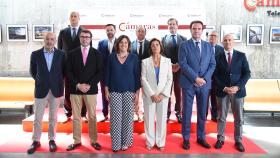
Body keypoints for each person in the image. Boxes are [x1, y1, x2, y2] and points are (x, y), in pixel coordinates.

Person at [178, 20, 216, 150]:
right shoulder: (184, 45)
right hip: (189, 83)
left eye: (199, 29)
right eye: (194, 28)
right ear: (190, 30)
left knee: (202, 113)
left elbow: (212, 64)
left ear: (202, 30)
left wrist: (204, 79)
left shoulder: (208, 46)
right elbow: (182, 64)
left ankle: (201, 137)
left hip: (204, 85)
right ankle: (186, 138)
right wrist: (195, 78)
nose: (197, 31)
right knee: (187, 112)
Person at [27, 32, 66, 154]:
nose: (49, 41)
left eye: (52, 39)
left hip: (55, 89)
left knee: (53, 117)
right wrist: (41, 81)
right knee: (37, 117)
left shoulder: (61, 54)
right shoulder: (35, 54)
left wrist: (56, 82)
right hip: (40, 89)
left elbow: (63, 72)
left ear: (55, 41)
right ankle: (36, 140)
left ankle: (52, 140)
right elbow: (33, 71)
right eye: (47, 39)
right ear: (44, 40)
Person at [66, 29, 103, 151]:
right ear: (79, 38)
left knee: (92, 116)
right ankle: (76, 141)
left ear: (91, 39)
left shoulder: (97, 53)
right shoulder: (71, 53)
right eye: (82, 36)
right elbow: (68, 71)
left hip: (90, 90)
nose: (85, 38)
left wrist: (89, 85)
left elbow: (100, 72)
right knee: (76, 116)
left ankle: (94, 140)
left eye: (87, 37)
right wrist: (78, 84)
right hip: (75, 89)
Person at [214, 34, 251, 152]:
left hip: (238, 92)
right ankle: (220, 138)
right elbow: (215, 75)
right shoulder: (217, 56)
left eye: (229, 40)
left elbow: (247, 73)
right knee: (221, 117)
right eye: (225, 40)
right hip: (222, 91)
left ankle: (238, 140)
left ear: (233, 41)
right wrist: (224, 87)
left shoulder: (241, 56)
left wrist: (238, 87)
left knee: (239, 118)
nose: (227, 42)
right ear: (222, 43)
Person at [105, 35, 140, 152]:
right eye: (121, 42)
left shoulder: (134, 58)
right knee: (115, 118)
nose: (123, 44)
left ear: (128, 45)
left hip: (129, 91)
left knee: (128, 118)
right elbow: (107, 74)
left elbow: (137, 76)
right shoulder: (111, 57)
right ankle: (116, 144)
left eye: (126, 42)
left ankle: (125, 142)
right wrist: (106, 89)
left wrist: (137, 93)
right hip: (114, 91)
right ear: (118, 44)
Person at [141, 38, 173, 151]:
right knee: (149, 119)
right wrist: (152, 94)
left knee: (161, 119)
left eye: (157, 45)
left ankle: (160, 142)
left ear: (160, 47)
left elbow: (170, 79)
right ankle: (150, 142)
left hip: (162, 96)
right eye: (153, 45)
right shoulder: (145, 62)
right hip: (150, 95)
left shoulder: (167, 61)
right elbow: (143, 79)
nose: (155, 47)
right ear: (150, 48)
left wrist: (163, 94)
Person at [58, 11, 87, 122]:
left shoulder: (84, 32)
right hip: (67, 67)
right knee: (68, 91)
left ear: (79, 18)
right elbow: (60, 51)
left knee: (83, 91)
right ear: (69, 19)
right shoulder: (63, 32)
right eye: (72, 16)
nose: (73, 18)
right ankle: (68, 113)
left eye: (75, 16)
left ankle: (83, 114)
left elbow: (88, 51)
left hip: (81, 67)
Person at [162, 18, 187, 123]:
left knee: (178, 92)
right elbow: (161, 54)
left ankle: (178, 112)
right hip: (167, 69)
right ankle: (167, 113)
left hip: (180, 70)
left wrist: (178, 65)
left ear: (177, 26)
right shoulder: (163, 39)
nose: (172, 26)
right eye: (170, 24)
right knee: (167, 92)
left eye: (174, 24)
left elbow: (186, 54)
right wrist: (170, 65)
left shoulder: (184, 38)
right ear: (168, 26)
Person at [97, 24, 117, 122]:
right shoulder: (101, 43)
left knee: (115, 94)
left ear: (115, 31)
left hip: (117, 74)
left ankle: (115, 115)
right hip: (104, 74)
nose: (109, 32)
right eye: (107, 30)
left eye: (111, 30)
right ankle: (105, 114)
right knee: (104, 94)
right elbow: (98, 58)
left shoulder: (120, 42)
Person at [131, 26, 150, 121]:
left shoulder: (150, 44)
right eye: (139, 31)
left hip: (147, 74)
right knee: (135, 95)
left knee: (146, 95)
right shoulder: (130, 44)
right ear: (136, 32)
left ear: (145, 33)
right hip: (134, 74)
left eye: (143, 31)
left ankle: (146, 114)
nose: (141, 33)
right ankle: (135, 113)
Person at [206, 31, 224, 122]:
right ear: (208, 37)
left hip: (216, 79)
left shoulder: (221, 49)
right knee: (204, 98)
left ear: (218, 38)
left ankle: (214, 116)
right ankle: (203, 116)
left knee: (215, 98)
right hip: (205, 78)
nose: (212, 37)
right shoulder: (204, 47)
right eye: (211, 36)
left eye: (215, 36)